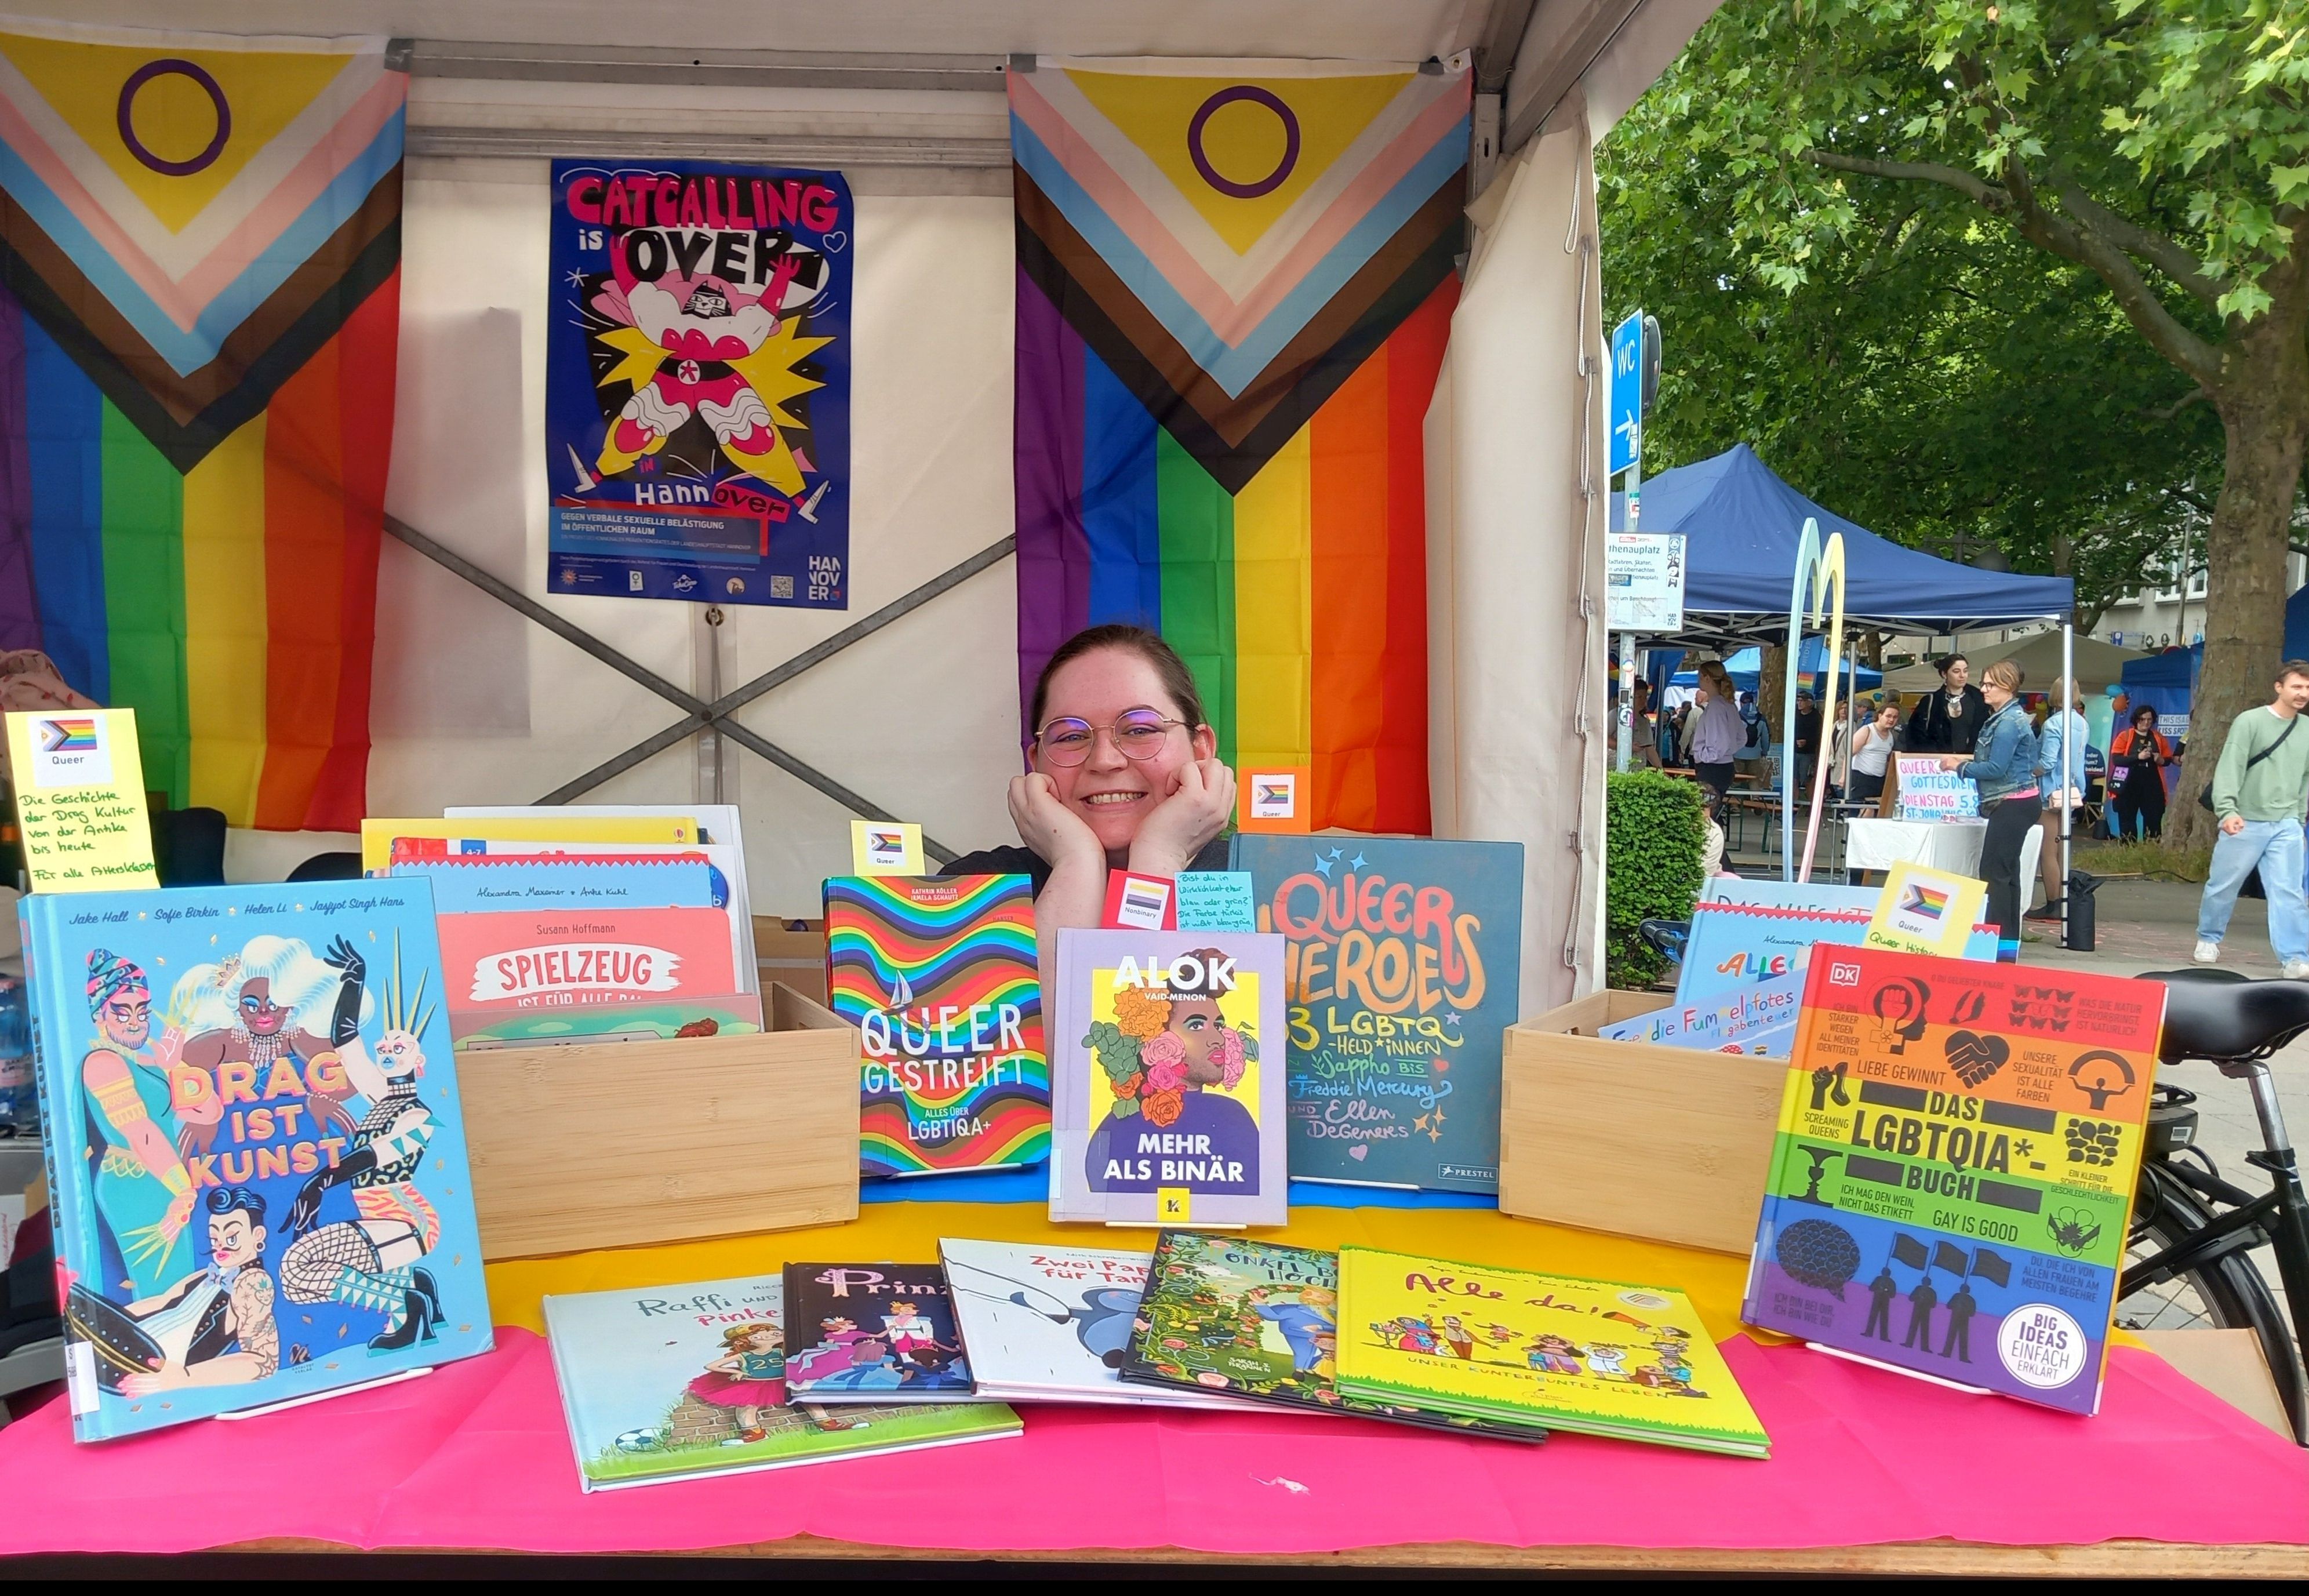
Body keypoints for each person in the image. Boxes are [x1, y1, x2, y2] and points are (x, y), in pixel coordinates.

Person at [946, 624, 1237, 977]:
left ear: (1200, 747)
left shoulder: (1268, 883)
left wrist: (1158, 857)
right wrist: (1076, 864)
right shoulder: (973, 889)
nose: (1103, 760)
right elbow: (1018, 1030)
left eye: (1140, 730)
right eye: (1070, 736)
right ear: (1036, 761)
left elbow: (1146, 1028)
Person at [2193, 661, 2309, 977]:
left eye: (2307, 688)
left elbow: (2305, 779)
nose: (2303, 694)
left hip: (2286, 822)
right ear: (2279, 687)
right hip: (2245, 819)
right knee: (2223, 884)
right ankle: (2208, 937)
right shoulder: (2250, 722)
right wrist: (2227, 811)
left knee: (2290, 891)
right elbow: (2230, 766)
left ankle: (2295, 958)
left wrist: (2298, 820)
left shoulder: (2307, 730)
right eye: (2297, 687)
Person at [1939, 659, 2039, 960]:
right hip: (2019, 801)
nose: (1983, 689)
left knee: (1995, 873)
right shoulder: (2007, 718)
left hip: (2013, 802)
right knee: (2007, 874)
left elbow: (1996, 768)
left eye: (1989, 685)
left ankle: (1998, 943)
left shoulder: (2008, 723)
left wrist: (1959, 766)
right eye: (1983, 683)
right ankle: (2007, 943)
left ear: (2007, 686)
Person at [2030, 675, 2090, 924]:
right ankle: (2066, 900)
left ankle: (2053, 902)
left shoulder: (2054, 724)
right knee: (2063, 846)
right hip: (2074, 789)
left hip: (2051, 791)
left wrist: (2029, 770)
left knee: (2048, 850)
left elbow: (2047, 762)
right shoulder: (2082, 723)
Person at [2108, 704, 2174, 841]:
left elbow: (2168, 759)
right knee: (2127, 821)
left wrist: (2159, 759)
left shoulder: (2159, 737)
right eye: (2142, 719)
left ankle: (2151, 850)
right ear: (2136, 720)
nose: (2146, 723)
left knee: (2154, 820)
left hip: (2152, 784)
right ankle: (2128, 850)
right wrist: (2137, 757)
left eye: (2149, 720)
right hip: (2128, 784)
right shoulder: (2125, 736)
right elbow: (2117, 759)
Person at [1906, 653, 1989, 754]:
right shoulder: (1930, 702)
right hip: (1939, 765)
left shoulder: (1979, 699)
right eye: (1956, 671)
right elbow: (1915, 737)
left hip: (1970, 763)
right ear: (1944, 674)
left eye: (1966, 671)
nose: (1962, 676)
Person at [1687, 660, 1746, 798]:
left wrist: (1702, 756)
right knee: (1711, 809)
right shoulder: (1729, 705)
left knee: (1705, 811)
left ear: (1707, 678)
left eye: (1700, 676)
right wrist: (1728, 751)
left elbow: (1719, 741)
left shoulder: (1716, 707)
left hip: (1712, 768)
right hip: (1724, 766)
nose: (1698, 680)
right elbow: (1742, 738)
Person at [1846, 700, 1900, 805]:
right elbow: (1849, 754)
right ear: (1880, 716)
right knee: (1863, 812)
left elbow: (1888, 761)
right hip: (1861, 777)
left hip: (1879, 780)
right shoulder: (1867, 730)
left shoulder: (1891, 736)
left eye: (1895, 717)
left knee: (1874, 812)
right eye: (1888, 716)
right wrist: (1844, 777)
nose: (1891, 720)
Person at [1791, 689, 1823, 799]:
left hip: (1809, 753)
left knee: (1808, 779)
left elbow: (1819, 735)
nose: (1799, 703)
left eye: (1802, 701)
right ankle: (1793, 803)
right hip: (1794, 751)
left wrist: (1807, 742)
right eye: (1798, 700)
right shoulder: (1794, 714)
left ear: (1810, 703)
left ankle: (1811, 804)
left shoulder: (1816, 716)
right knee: (1793, 778)